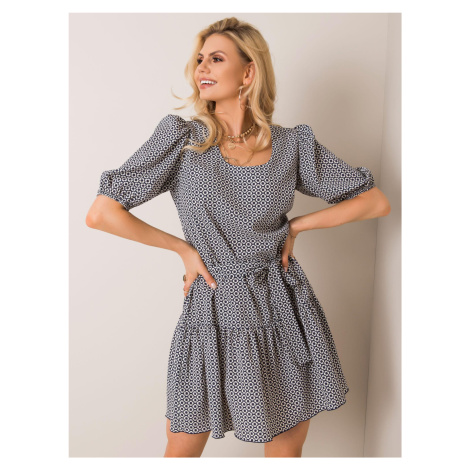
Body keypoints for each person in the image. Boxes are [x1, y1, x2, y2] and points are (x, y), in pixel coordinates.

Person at [86, 17, 391, 458]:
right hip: (212, 307)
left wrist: (297, 226)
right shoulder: (182, 140)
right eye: (199, 59)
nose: (202, 68)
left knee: (285, 449)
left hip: (281, 306)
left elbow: (373, 202)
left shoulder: (292, 146)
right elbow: (102, 213)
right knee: (182, 446)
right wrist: (183, 249)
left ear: (248, 72)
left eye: (216, 58)